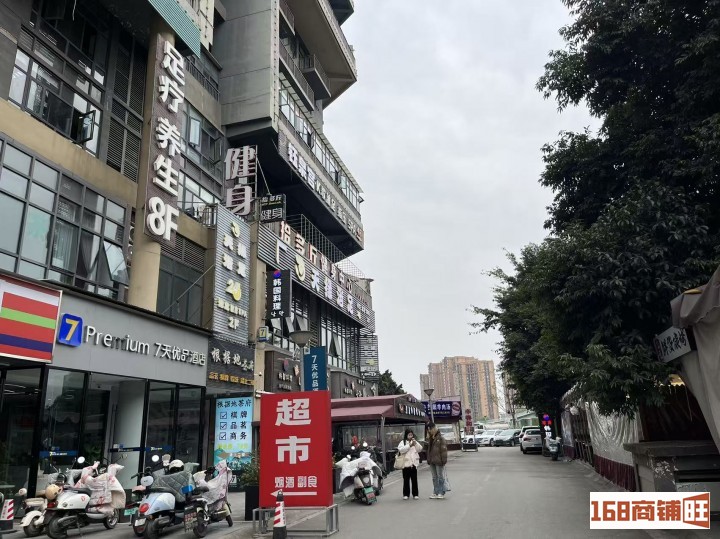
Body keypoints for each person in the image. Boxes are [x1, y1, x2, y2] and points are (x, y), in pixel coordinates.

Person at [397, 428, 422, 500]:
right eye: (409, 435)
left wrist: (415, 443)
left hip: (413, 464)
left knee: (414, 480)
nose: (410, 436)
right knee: (406, 480)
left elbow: (420, 449)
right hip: (406, 464)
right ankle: (406, 494)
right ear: (406, 435)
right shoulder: (403, 442)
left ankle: (415, 494)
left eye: (411, 435)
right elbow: (401, 450)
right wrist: (409, 445)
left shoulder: (414, 442)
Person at [425, 422, 448, 499]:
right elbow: (428, 449)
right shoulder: (430, 438)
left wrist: (444, 460)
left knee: (440, 476)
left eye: (430, 429)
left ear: (433, 428)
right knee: (434, 477)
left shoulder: (440, 438)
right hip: (431, 460)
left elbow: (444, 450)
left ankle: (441, 492)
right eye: (428, 429)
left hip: (439, 460)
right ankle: (435, 491)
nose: (429, 431)